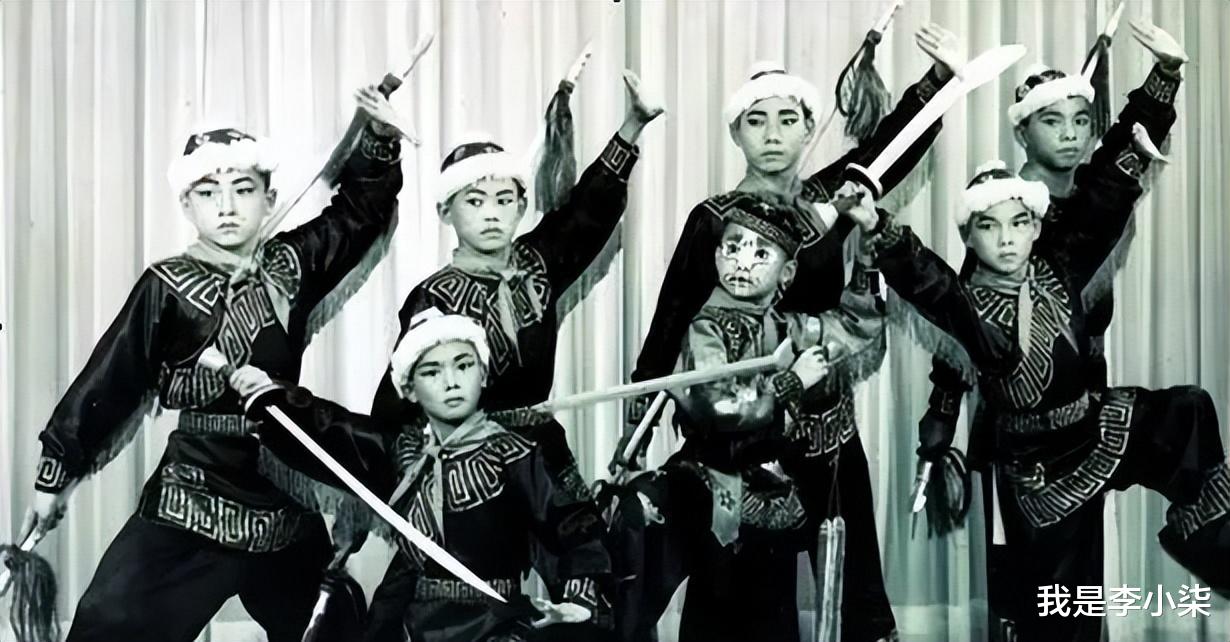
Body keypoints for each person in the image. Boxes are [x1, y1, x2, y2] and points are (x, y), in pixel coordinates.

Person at [860, 23, 1228, 641]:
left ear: (1035, 229)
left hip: (1088, 412)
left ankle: (1217, 546)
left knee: (1185, 415)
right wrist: (943, 410)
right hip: (1025, 443)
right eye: (1053, 121)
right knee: (1044, 594)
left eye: (1081, 121)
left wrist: (1164, 80)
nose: (1071, 134)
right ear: (1023, 131)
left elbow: (1113, 183)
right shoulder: (995, 241)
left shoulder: (1065, 242)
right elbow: (943, 296)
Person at [24, 86, 406, 642]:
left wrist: (379, 137)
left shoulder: (291, 265)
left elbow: (358, 217)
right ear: (187, 205)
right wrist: (56, 473)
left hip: (282, 488)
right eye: (208, 192)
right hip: (194, 489)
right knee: (109, 624)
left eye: (243, 190)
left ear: (269, 200)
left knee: (331, 630)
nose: (226, 206)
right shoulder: (168, 285)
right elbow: (111, 377)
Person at [230, 308, 611, 642]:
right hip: (408, 620)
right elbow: (328, 428)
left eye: (464, 365)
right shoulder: (401, 451)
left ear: (483, 374)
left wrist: (579, 599)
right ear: (409, 389)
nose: (451, 381)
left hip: (492, 620)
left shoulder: (515, 453)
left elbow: (573, 524)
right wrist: (269, 395)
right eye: (432, 371)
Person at [609, 192, 886, 642]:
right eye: (732, 248)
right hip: (717, 495)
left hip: (771, 496)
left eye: (761, 254)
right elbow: (720, 405)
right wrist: (792, 382)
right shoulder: (706, 328)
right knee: (717, 616)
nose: (742, 262)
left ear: (787, 273)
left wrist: (870, 251)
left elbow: (854, 326)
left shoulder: (787, 326)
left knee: (772, 615)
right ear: (716, 256)